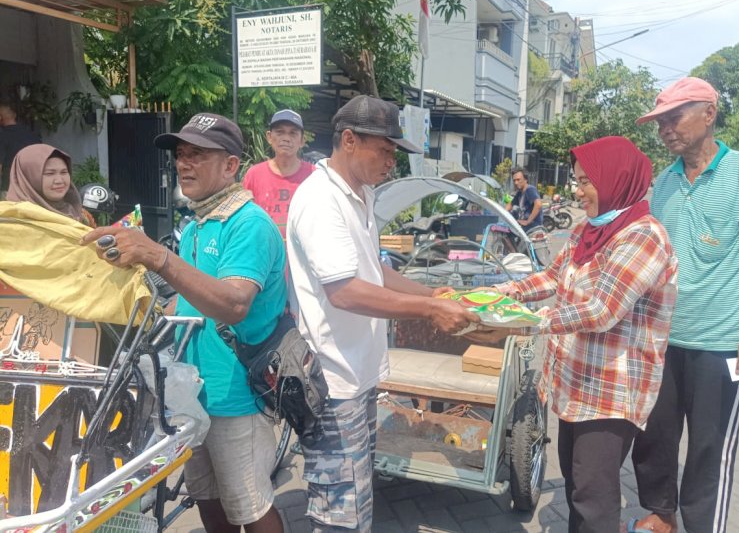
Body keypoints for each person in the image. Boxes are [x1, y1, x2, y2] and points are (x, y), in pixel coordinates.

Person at [80, 113, 286, 533]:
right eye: (180, 155)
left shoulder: (248, 225)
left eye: (198, 155)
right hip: (193, 393)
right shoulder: (195, 223)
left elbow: (232, 303)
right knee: (206, 498)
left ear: (231, 166)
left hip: (238, 396)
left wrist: (158, 257)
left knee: (251, 506)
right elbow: (188, 301)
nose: (184, 164)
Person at [286, 95, 481, 532]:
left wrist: (431, 291)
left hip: (358, 373)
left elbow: (372, 272)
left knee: (354, 498)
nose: (393, 160)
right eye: (386, 149)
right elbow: (347, 292)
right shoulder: (320, 199)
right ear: (350, 141)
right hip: (333, 382)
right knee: (339, 512)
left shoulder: (361, 194)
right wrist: (429, 309)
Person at [471, 136, 678, 533]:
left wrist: (525, 319)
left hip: (609, 392)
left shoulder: (642, 236)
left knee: (593, 498)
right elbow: (552, 276)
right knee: (577, 485)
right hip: (573, 385)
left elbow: (603, 310)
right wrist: (499, 293)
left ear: (615, 179)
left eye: (586, 181)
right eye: (576, 180)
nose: (576, 191)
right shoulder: (588, 230)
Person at [630, 77, 739, 533]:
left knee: (709, 448)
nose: (664, 129)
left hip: (721, 344)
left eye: (673, 117)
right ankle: (662, 515)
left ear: (709, 113)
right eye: (659, 122)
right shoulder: (664, 184)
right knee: (655, 437)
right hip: (663, 339)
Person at [242, 109, 314, 240]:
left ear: (302, 141)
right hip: (264, 254)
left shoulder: (314, 176)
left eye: (293, 133)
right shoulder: (254, 175)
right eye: (280, 132)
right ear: (269, 137)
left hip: (301, 257)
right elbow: (244, 218)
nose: (286, 138)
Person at [6, 143, 94, 226]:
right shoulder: (12, 220)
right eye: (49, 173)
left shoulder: (81, 215)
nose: (59, 180)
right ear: (28, 177)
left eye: (64, 172)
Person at [0, 103, 42, 196]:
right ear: (14, 115)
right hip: (32, 185)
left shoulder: (3, 136)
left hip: (10, 187)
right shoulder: (32, 134)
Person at [506, 167, 543, 232]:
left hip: (533, 225)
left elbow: (538, 204)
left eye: (518, 180)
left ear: (525, 180)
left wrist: (528, 221)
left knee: (508, 232)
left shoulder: (530, 189)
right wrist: (501, 213)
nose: (516, 183)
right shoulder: (520, 193)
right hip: (524, 224)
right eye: (514, 180)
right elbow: (510, 205)